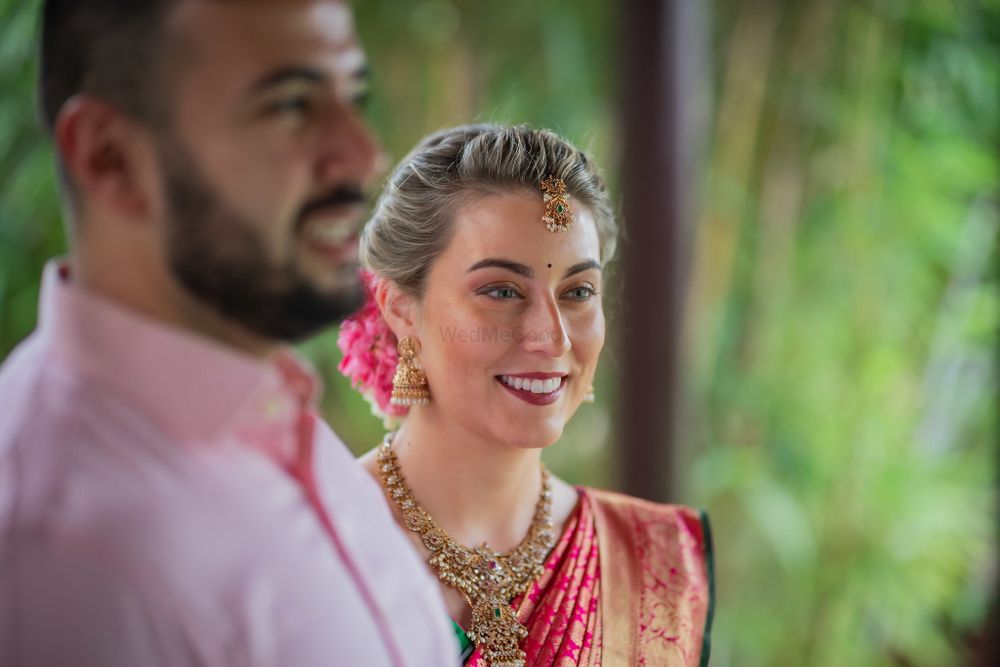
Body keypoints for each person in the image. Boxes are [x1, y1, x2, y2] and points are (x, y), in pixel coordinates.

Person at [0, 1, 456, 665]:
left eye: (350, 95)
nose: (364, 154)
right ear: (111, 158)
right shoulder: (63, 556)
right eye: (291, 105)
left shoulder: (277, 420)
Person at [339, 124, 715, 667]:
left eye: (578, 292)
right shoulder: (313, 548)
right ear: (399, 308)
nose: (553, 338)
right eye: (500, 291)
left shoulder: (657, 565)